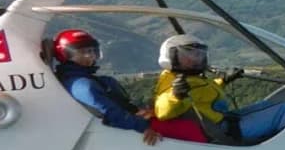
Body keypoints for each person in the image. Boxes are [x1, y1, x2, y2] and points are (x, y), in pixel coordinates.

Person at [53, 29, 204, 143]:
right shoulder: (82, 84)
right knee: (190, 129)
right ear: (66, 55)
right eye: (84, 52)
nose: (90, 56)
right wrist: (143, 126)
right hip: (131, 128)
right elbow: (108, 112)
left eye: (93, 51)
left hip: (131, 121)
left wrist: (140, 112)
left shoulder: (83, 80)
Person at [152, 33, 285, 143]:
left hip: (226, 122)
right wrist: (175, 95)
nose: (196, 60)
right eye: (189, 55)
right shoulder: (174, 82)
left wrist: (223, 81)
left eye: (199, 55)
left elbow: (203, 94)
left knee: (273, 105)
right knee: (284, 111)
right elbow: (162, 110)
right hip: (222, 131)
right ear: (171, 57)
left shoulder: (189, 78)